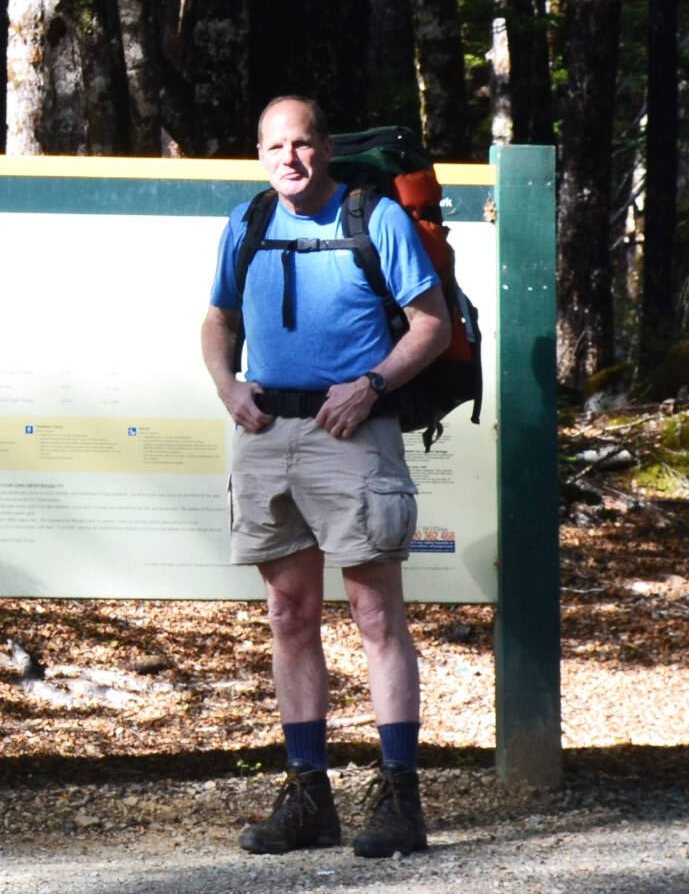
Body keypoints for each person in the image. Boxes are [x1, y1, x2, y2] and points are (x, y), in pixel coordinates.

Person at [200, 95, 450, 858]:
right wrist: (228, 385)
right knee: (289, 616)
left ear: (327, 148)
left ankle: (399, 795)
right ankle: (310, 792)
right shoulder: (246, 224)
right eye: (276, 147)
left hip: (353, 434)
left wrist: (371, 385)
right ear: (260, 154)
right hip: (267, 432)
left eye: (303, 144)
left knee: (376, 616)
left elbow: (432, 324)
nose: (291, 159)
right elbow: (218, 319)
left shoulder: (374, 218)